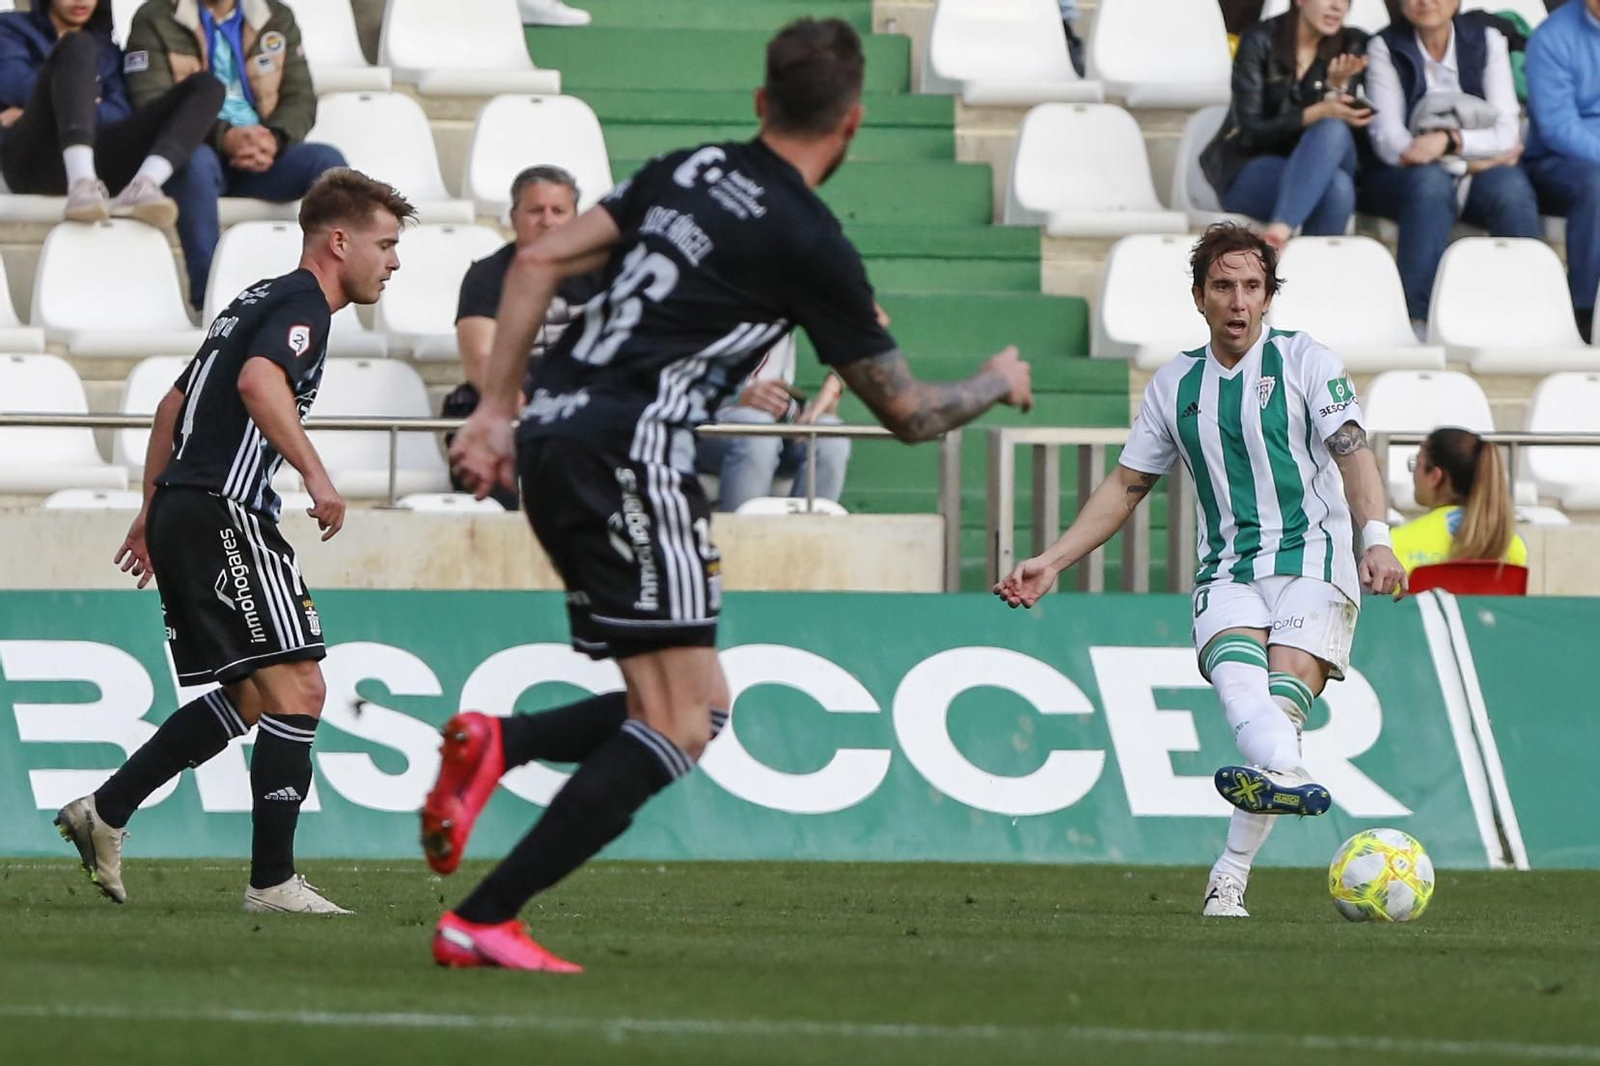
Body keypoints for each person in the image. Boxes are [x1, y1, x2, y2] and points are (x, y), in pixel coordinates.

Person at [427, 17, 1033, 972]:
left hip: (555, 436)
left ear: (760, 104)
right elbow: (910, 415)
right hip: (633, 452)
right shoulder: (810, 238)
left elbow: (538, 262)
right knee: (679, 723)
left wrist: (496, 408)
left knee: (699, 703)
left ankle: (501, 741)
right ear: (853, 126)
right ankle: (485, 917)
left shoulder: (689, 165)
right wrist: (999, 379)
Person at [995, 223, 1406, 920]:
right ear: (1198, 297)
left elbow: (1352, 453)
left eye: (1252, 286)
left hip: (1315, 560)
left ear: (1270, 296)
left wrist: (1376, 536)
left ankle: (1230, 876)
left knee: (1275, 707)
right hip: (1228, 572)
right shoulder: (1175, 384)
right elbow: (1127, 486)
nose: (1238, 301)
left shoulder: (1307, 361)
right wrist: (1052, 561)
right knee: (1246, 699)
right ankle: (1288, 774)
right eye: (1223, 286)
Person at [54, 168, 414, 915]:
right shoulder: (304, 304)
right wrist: (317, 476)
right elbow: (257, 383)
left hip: (186, 507)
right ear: (338, 240)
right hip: (226, 508)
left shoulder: (252, 298)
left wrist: (150, 511)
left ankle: (107, 810)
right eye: (385, 244)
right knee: (302, 688)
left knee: (254, 695)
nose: (394, 261)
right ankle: (273, 882)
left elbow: (170, 405)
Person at [126, 0, 347, 311]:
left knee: (328, 164)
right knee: (194, 165)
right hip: (198, 150)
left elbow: (301, 96)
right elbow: (152, 103)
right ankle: (212, 303)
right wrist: (225, 137)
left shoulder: (275, 15)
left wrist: (274, 138)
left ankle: (320, 296)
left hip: (262, 152)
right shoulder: (156, 16)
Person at [1359, 0, 1541, 334]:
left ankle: (1524, 313)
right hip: (1403, 176)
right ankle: (1417, 319)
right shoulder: (1385, 45)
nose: (1426, 2)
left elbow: (1507, 130)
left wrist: (1451, 141)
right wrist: (1468, 165)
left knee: (1512, 189)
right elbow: (1390, 142)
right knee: (1430, 185)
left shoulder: (1487, 40)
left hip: (1474, 168)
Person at [445, 164, 600, 510]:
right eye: (535, 210)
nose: (547, 221)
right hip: (512, 410)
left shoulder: (604, 275)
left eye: (558, 211)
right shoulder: (487, 276)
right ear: (514, 217)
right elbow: (481, 362)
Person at [0, 0, 220, 225]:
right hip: (33, 161)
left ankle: (143, 185)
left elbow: (120, 112)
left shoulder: (108, 49)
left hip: (100, 160)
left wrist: (78, 101)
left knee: (208, 86)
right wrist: (75, 96)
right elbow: (13, 84)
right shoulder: (10, 29)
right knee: (77, 44)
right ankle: (81, 183)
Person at [1202, 0, 1373, 248]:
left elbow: (1357, 136)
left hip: (1322, 161)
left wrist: (1335, 90)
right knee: (1337, 188)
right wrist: (1315, 112)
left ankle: (1279, 232)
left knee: (1333, 131)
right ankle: (1311, 276)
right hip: (1255, 169)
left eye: (1345, 0)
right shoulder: (1259, 40)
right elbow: (1250, 132)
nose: (1337, 6)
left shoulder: (1353, 45)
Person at [696, 334, 853, 513]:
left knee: (830, 434)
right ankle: (745, 537)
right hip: (704, 420)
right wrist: (736, 395)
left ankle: (810, 536)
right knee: (758, 431)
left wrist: (833, 388)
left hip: (777, 420)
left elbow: (869, 322)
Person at [1523, 0, 1600, 342]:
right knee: (1597, 185)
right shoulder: (1552, 38)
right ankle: (1585, 311)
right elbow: (1558, 127)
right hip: (1558, 160)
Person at [1393, 426, 1526, 572]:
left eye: (1417, 464)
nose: (1414, 473)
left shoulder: (1394, 544)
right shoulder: (1511, 545)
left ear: (1434, 477)